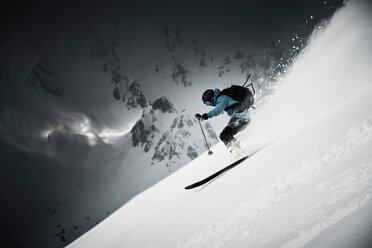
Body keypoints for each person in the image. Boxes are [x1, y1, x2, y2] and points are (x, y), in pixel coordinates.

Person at [195, 87, 252, 154]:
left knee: (224, 135)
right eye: (206, 104)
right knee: (225, 135)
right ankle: (237, 150)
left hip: (242, 118)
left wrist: (205, 116)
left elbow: (217, 110)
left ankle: (238, 151)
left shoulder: (221, 98)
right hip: (239, 117)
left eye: (208, 102)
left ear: (212, 98)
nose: (209, 105)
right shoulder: (221, 98)